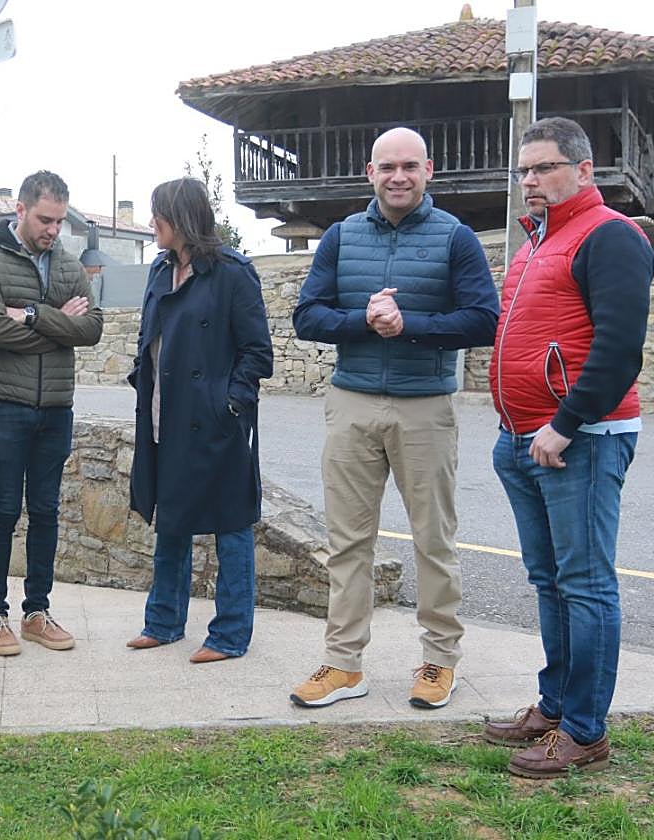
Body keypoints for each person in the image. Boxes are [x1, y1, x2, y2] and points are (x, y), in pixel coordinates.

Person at [290, 127, 498, 710]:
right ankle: (343, 664)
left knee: (434, 540)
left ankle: (439, 660)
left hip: (425, 406)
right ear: (370, 173)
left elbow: (484, 319)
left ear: (428, 170)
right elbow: (307, 316)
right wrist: (363, 319)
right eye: (387, 167)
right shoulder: (340, 236)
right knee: (347, 543)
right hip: (352, 402)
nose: (398, 177)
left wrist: (410, 326)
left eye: (409, 166)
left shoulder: (455, 238)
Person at [483, 117, 653, 778]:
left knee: (585, 585)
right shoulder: (536, 242)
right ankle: (555, 708)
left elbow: (619, 348)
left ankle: (585, 731)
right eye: (524, 170)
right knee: (550, 581)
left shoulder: (610, 235)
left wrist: (565, 423)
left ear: (583, 170)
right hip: (524, 438)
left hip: (578, 439)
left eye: (544, 167)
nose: (530, 180)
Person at [126, 178, 273, 663]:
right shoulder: (160, 269)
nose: (152, 223)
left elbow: (257, 353)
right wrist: (140, 376)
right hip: (163, 415)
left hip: (216, 423)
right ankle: (163, 622)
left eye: (158, 213)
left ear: (181, 217)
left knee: (231, 525)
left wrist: (228, 404)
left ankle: (230, 635)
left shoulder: (232, 272)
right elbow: (151, 336)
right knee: (171, 520)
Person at [0, 170, 103, 656]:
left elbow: (92, 330)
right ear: (21, 210)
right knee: (3, 510)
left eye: (60, 221)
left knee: (45, 511)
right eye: (45, 219)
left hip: (55, 408)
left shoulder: (67, 264)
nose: (53, 230)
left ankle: (37, 613)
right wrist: (59, 325)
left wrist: (31, 314)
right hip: (2, 404)